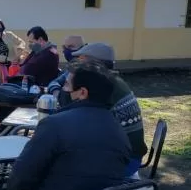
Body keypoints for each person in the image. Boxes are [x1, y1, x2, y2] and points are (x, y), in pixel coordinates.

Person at [0, 61, 131, 190]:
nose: (62, 90)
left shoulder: (54, 125)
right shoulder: (120, 132)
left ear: (82, 92)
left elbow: (19, 181)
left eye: (66, 85)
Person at [60, 43, 148, 178]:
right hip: (123, 153)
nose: (78, 64)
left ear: (94, 63)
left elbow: (70, 108)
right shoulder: (110, 80)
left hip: (125, 160)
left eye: (81, 59)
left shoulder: (105, 87)